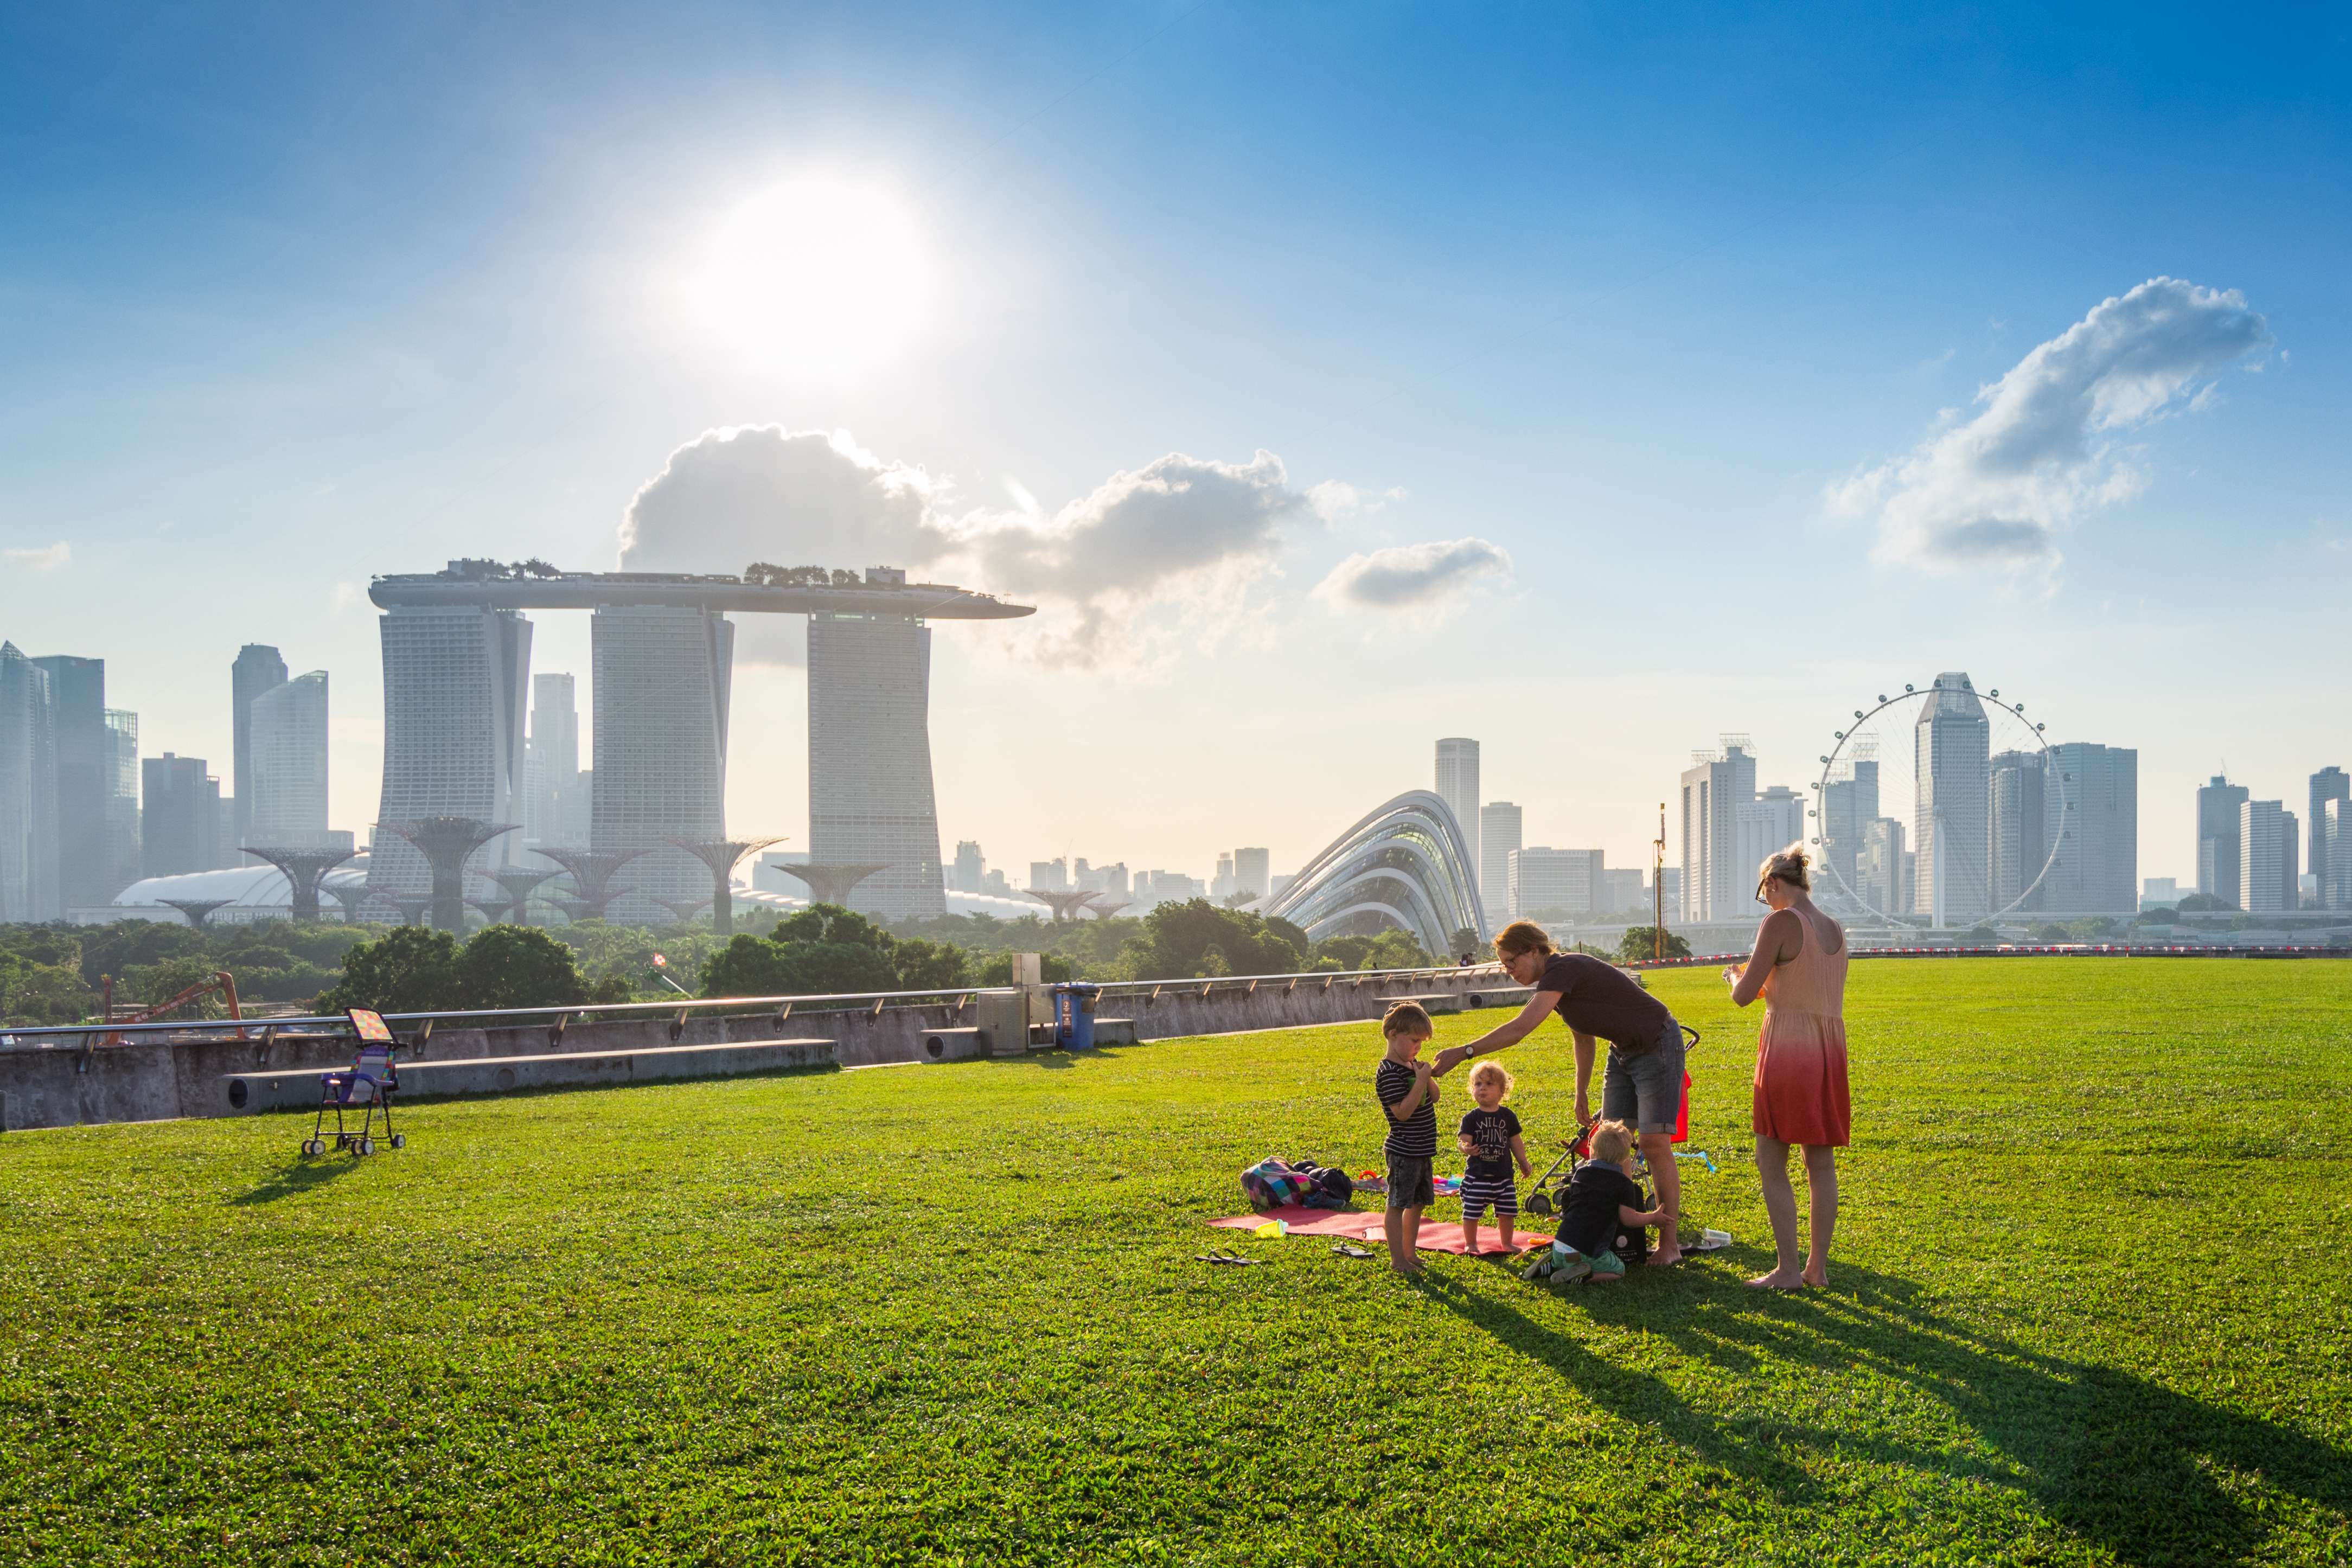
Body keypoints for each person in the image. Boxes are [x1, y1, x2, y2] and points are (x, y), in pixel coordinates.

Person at [1434, 921, 1690, 1266]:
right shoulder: (1555, 983)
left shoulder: (1563, 968)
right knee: (1611, 1144)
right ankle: (1619, 1233)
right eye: (1503, 964)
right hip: (1623, 1050)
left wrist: (1463, 1052)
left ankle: (1668, 1244)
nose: (1508, 970)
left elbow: (1521, 1028)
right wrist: (1581, 1091)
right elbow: (1583, 1036)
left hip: (1657, 1043)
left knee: (1654, 1143)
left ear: (1535, 951)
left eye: (1511, 961)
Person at [1723, 844, 1850, 1290]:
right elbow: (1804, 986)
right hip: (1829, 1050)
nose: (1766, 901)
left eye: (1764, 892)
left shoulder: (1779, 922)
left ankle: (1788, 1270)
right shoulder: (1834, 928)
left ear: (1773, 883)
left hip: (1787, 1049)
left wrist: (1735, 978)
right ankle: (1817, 1268)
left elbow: (1744, 994)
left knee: (1770, 1159)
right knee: (1821, 1162)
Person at [1548, 1119, 1669, 1283]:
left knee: (1567, 1258)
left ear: (1592, 1151)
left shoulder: (1581, 1173)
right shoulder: (1623, 1184)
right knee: (1619, 1270)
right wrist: (1653, 1217)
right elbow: (1629, 1219)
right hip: (1587, 1252)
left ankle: (1551, 1265)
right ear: (1625, 1158)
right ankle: (1584, 1278)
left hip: (1560, 1244)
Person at [1372, 1000, 1440, 1274]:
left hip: (1422, 1148)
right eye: (1414, 1041)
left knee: (1418, 1201)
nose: (1418, 1047)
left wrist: (1426, 1076)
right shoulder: (1389, 1072)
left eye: (1422, 1043)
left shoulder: (1412, 1066)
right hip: (1403, 1150)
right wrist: (1420, 1081)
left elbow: (1434, 1097)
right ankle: (1397, 1259)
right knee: (1398, 1203)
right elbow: (1402, 1113)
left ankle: (1410, 1252)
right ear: (1393, 1035)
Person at [1455, 1059, 1533, 1256]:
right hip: (1478, 1176)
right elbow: (1463, 1140)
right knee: (1472, 1213)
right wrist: (1466, 1148)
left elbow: (1515, 1141)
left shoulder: (1508, 1116)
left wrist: (1523, 1161)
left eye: (1489, 1084)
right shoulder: (1471, 1118)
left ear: (1502, 1091)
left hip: (1504, 1177)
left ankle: (1507, 1243)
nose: (1482, 1089)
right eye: (1478, 1084)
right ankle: (1471, 1243)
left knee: (1507, 1213)